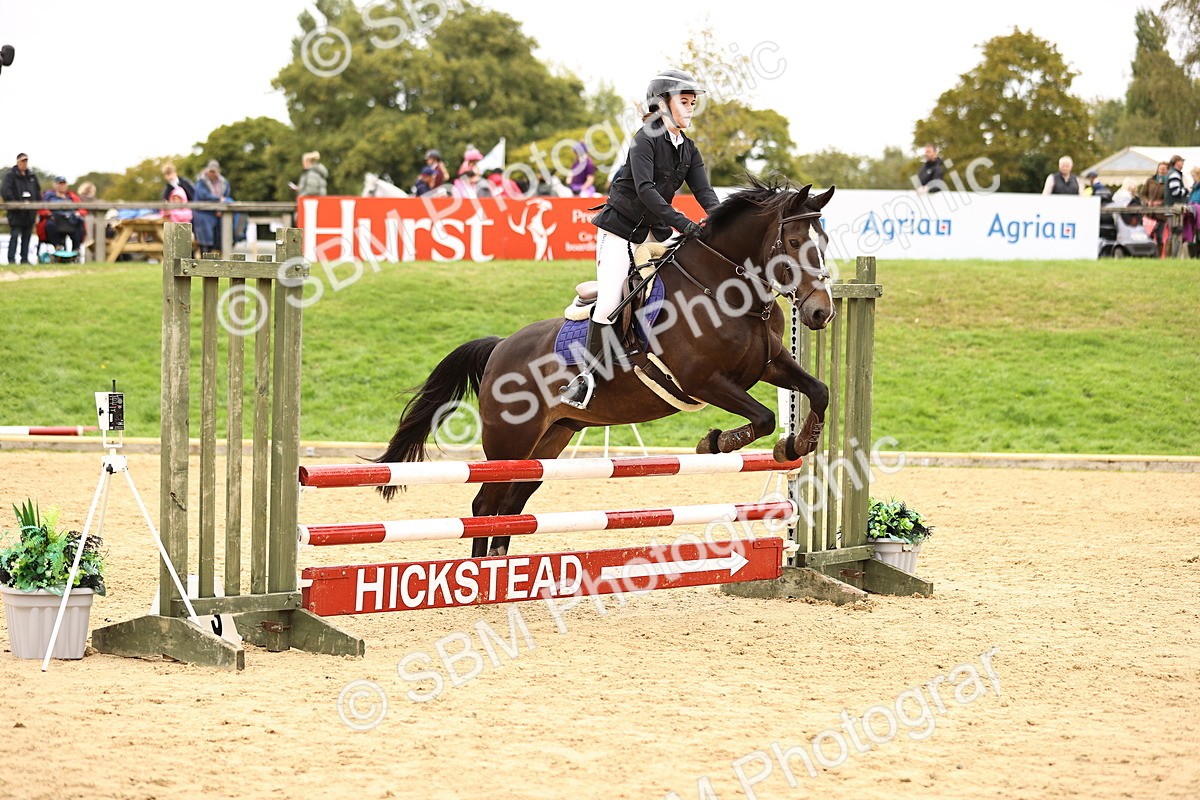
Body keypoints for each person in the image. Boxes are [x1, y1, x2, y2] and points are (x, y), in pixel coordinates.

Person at [560, 69, 720, 410]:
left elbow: (704, 191)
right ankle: (586, 377)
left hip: (653, 235)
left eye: (693, 103)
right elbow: (646, 191)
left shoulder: (688, 149)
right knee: (610, 302)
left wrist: (722, 221)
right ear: (662, 104)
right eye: (684, 102)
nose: (691, 109)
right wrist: (685, 224)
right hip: (619, 232)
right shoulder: (645, 138)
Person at [2, 152, 40, 264]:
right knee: (14, 235)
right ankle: (11, 259)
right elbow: (6, 191)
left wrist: (34, 204)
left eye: (26, 161)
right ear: (17, 161)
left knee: (27, 236)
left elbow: (37, 192)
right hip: (16, 212)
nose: (25, 163)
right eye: (22, 161)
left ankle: (24, 259)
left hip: (29, 212)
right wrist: (15, 204)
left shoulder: (32, 176)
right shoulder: (10, 176)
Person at [193, 160, 233, 250]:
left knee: (220, 237)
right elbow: (203, 195)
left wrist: (220, 208)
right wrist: (218, 199)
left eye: (214, 171)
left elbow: (226, 196)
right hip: (203, 212)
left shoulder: (223, 183)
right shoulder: (201, 182)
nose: (212, 173)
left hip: (218, 213)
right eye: (210, 171)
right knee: (205, 240)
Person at [40, 177, 86, 254]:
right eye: (60, 184)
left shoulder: (72, 197)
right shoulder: (48, 196)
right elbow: (41, 208)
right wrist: (48, 214)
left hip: (70, 220)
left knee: (80, 223)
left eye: (64, 184)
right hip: (55, 220)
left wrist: (78, 213)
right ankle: (58, 247)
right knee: (49, 224)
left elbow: (82, 209)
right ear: (55, 185)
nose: (62, 186)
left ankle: (76, 250)